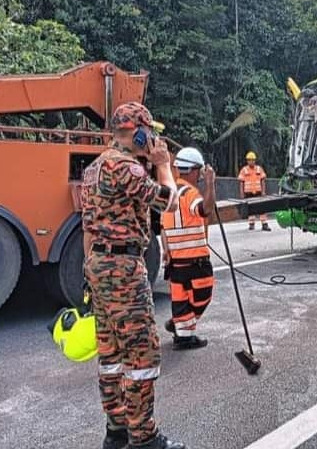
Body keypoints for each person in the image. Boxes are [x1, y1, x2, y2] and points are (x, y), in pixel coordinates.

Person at [81, 102, 185, 449]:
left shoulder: (94, 168)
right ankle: (145, 437)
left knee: (110, 354)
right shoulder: (126, 167)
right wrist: (163, 165)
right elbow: (167, 202)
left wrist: (89, 272)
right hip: (124, 268)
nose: (152, 138)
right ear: (138, 131)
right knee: (141, 354)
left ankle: (117, 430)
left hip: (97, 264)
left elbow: (86, 227)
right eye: (149, 132)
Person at [161, 147, 216, 350]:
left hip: (176, 261)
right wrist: (210, 184)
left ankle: (183, 336)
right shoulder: (190, 193)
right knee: (203, 296)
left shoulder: (169, 194)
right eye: (200, 171)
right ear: (193, 170)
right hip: (194, 260)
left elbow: (163, 227)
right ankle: (181, 325)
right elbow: (206, 209)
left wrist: (166, 250)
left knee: (181, 298)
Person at [238, 151, 270, 231]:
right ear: (247, 161)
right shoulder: (244, 170)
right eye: (249, 160)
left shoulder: (259, 169)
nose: (251, 161)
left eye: (252, 160)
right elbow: (241, 182)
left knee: (262, 208)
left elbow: (263, 181)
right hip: (248, 193)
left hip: (258, 192)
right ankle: (251, 224)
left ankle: (264, 224)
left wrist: (263, 192)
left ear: (255, 160)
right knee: (250, 209)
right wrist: (242, 194)